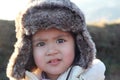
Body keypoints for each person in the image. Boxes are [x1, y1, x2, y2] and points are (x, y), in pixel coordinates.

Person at [6, 0, 106, 80]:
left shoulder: (91, 76)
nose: (52, 51)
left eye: (60, 41)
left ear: (77, 44)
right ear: (28, 50)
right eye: (41, 44)